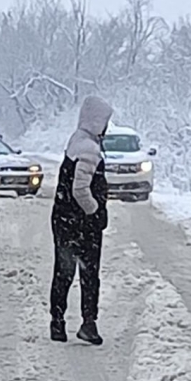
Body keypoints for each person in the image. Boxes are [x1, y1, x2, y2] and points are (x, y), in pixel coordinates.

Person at [49, 95, 112, 346]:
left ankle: (57, 321)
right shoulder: (89, 149)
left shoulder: (76, 141)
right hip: (83, 224)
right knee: (89, 274)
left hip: (63, 219)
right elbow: (80, 189)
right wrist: (94, 210)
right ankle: (88, 323)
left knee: (63, 271)